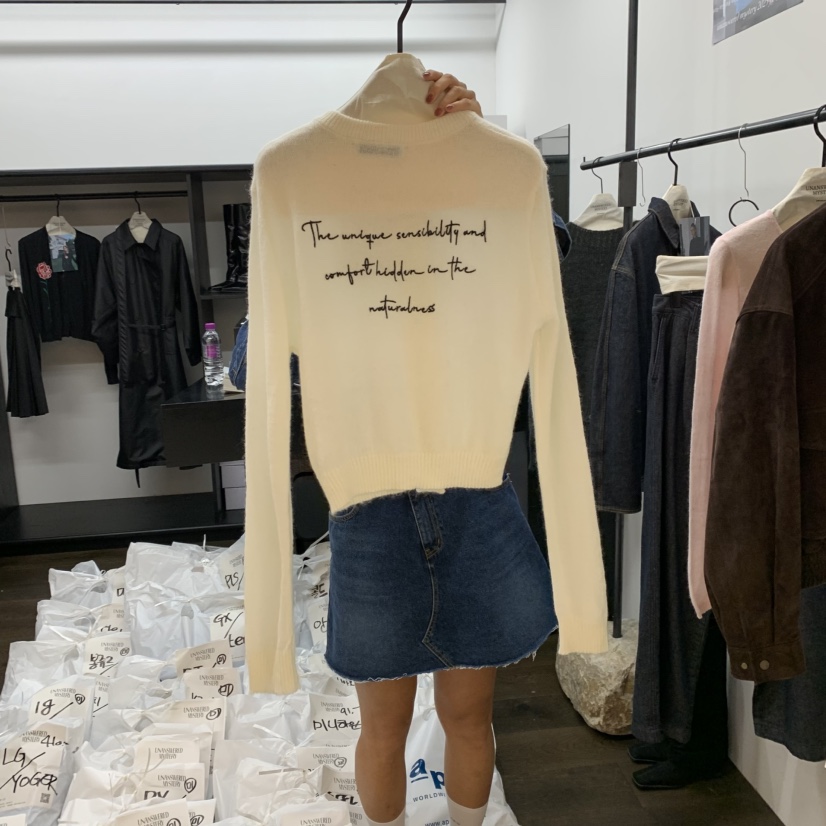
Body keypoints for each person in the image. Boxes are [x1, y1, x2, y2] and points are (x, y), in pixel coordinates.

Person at [346, 69, 518, 826]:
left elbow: (542, 245)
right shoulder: (333, 226)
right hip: (394, 498)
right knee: (397, 726)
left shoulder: (473, 222)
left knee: (450, 720)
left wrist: (477, 147)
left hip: (454, 490)